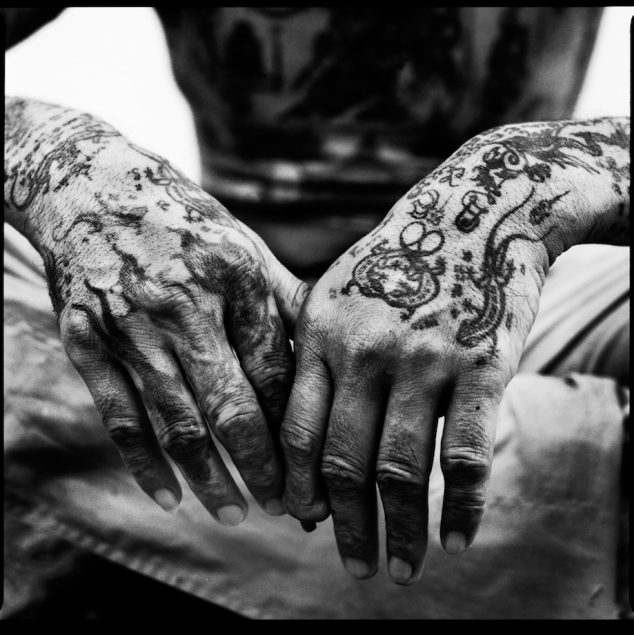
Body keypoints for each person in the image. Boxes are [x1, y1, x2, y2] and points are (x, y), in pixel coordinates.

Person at [3, 7, 630, 619]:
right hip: (218, 306)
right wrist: (63, 162)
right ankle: (572, 483)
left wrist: (522, 177)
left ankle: (203, 482)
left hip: (512, 312)